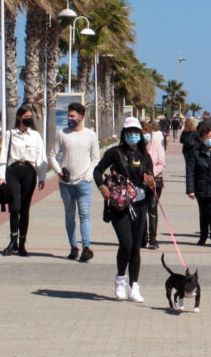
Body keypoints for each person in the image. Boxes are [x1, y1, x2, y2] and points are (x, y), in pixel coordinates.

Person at [93, 117, 155, 303]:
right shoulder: (115, 152)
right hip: (120, 205)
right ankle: (120, 279)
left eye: (136, 133)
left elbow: (151, 178)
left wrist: (151, 182)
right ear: (123, 135)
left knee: (136, 247)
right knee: (126, 243)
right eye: (129, 133)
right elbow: (97, 171)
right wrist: (102, 187)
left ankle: (134, 286)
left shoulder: (145, 156)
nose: (133, 136)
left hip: (139, 204)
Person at [48, 102, 101, 262]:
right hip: (66, 184)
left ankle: (86, 247)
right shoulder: (62, 134)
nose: (69, 119)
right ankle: (73, 247)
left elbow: (95, 157)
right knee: (70, 215)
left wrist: (88, 175)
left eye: (72, 116)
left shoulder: (90, 135)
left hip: (83, 183)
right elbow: (52, 155)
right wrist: (59, 172)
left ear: (81, 117)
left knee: (84, 214)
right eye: (68, 116)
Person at [0, 105, 48, 257]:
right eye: (26, 117)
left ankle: (22, 244)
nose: (28, 120)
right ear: (19, 117)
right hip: (13, 171)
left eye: (30, 117)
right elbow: (3, 154)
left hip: (29, 172)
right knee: (15, 206)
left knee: (25, 208)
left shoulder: (36, 136)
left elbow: (41, 157)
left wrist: (42, 176)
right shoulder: (10, 134)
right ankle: (13, 241)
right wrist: (1, 176)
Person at [142, 122, 166, 250]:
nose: (144, 135)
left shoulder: (156, 146)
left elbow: (161, 163)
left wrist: (151, 174)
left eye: (146, 133)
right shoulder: (136, 148)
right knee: (141, 209)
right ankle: (142, 237)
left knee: (152, 208)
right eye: (142, 133)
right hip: (139, 182)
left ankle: (152, 238)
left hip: (155, 181)